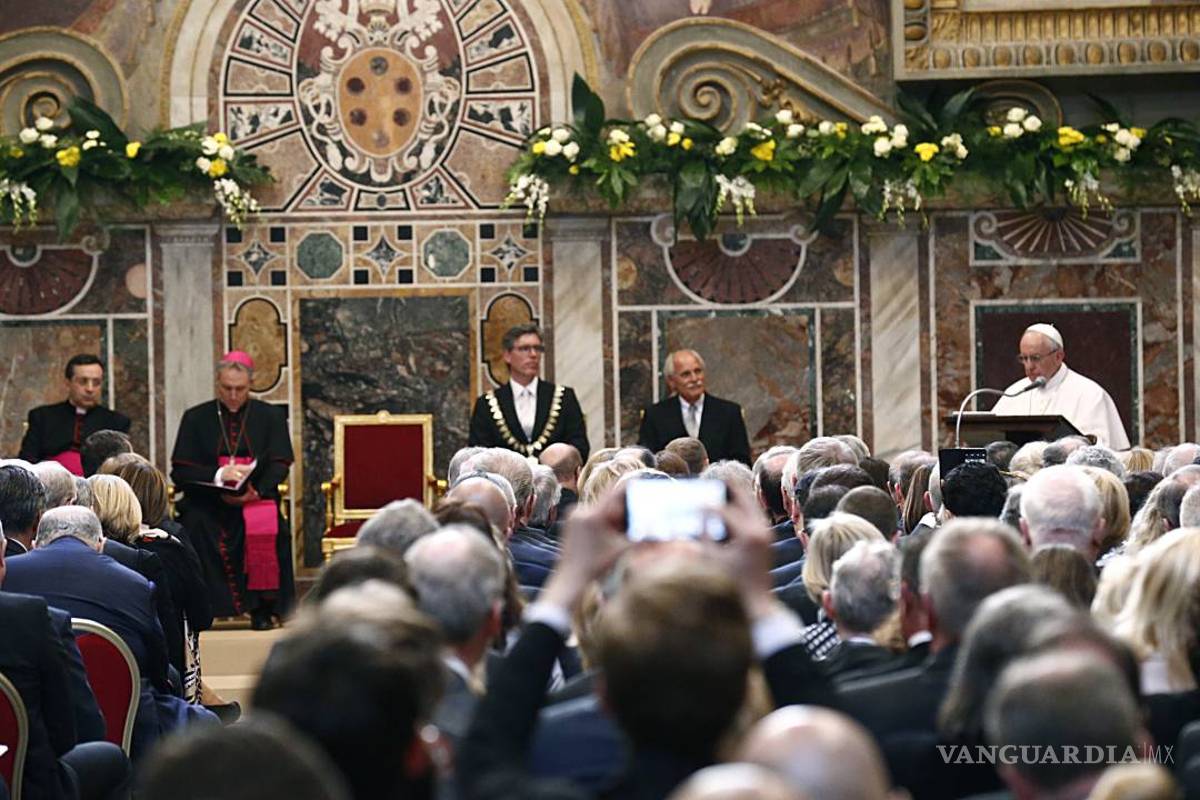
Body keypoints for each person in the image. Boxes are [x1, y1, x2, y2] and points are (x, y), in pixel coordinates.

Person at [170, 351, 294, 630]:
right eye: (227, 388)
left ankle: (263, 609)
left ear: (251, 384)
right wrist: (218, 475)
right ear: (218, 383)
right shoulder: (196, 417)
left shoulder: (270, 416)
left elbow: (280, 462)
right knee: (194, 526)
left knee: (271, 528)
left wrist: (257, 490)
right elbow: (180, 470)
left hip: (254, 498)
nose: (234, 395)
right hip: (208, 502)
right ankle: (205, 609)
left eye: (241, 389)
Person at [990, 323, 1130, 448]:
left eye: (1035, 358)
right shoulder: (1014, 392)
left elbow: (1100, 449)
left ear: (1058, 356)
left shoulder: (1090, 394)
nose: (1029, 366)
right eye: (1023, 358)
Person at [469, 324, 590, 460]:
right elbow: (478, 453)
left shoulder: (564, 398)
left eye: (537, 349)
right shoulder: (486, 404)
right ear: (507, 355)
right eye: (524, 349)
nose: (533, 355)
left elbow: (579, 446)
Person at [18, 354, 131, 475]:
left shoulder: (117, 422)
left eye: (96, 382)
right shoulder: (42, 417)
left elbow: (121, 468)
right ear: (68, 382)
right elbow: (27, 461)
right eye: (83, 381)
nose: (90, 389)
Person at [638, 350, 751, 465]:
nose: (694, 379)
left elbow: (741, 461)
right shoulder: (655, 415)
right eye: (686, 374)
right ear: (671, 381)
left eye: (698, 371)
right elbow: (647, 461)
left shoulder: (729, 412)